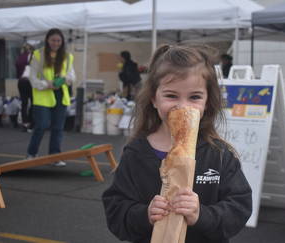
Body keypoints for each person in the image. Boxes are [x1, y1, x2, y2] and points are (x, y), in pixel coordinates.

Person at [102, 44, 252, 243]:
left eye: (195, 97)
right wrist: (144, 214)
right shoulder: (136, 152)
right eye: (171, 95)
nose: (183, 106)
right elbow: (116, 209)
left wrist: (202, 214)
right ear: (154, 98)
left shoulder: (219, 154)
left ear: (207, 102)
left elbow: (239, 206)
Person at [26, 28, 76, 167]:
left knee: (58, 128)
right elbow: (32, 78)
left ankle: (55, 156)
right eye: (53, 40)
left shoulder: (67, 56)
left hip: (61, 95)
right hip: (43, 96)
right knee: (41, 125)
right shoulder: (38, 55)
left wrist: (64, 79)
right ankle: (32, 153)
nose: (56, 43)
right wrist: (46, 84)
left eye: (58, 40)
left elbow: (72, 75)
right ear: (47, 40)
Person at [15, 43, 34, 132]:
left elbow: (17, 71)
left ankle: (25, 123)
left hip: (21, 81)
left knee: (24, 103)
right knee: (34, 102)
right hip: (29, 81)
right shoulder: (31, 56)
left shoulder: (19, 57)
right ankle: (31, 123)